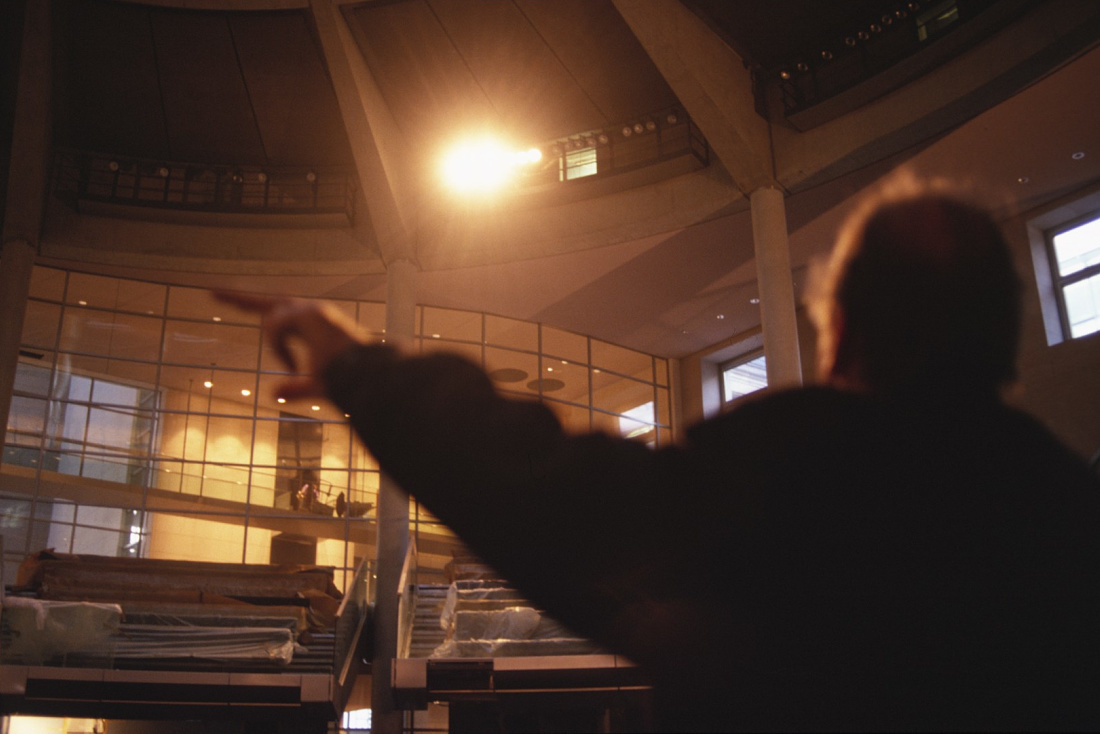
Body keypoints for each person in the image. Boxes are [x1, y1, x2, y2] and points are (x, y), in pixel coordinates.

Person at [216, 178, 1100, 732]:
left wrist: (355, 364)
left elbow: (560, 501)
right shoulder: (1070, 512)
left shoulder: (795, 467)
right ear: (1004, 338)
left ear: (842, 337)